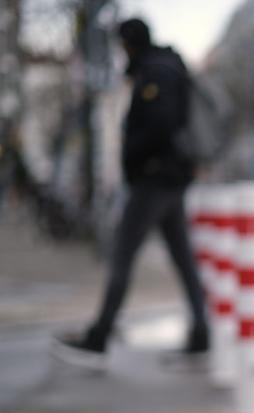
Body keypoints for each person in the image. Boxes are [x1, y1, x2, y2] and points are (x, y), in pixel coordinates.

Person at [53, 18, 208, 371]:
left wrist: (131, 154)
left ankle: (99, 336)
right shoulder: (167, 67)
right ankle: (201, 331)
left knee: (122, 255)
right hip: (169, 178)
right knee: (183, 257)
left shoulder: (156, 73)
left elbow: (160, 125)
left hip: (155, 179)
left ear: (129, 44)